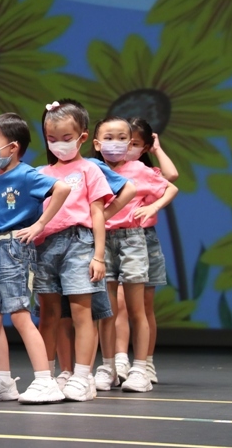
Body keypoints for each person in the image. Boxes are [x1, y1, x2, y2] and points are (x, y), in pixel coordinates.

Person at [0, 113, 71, 404]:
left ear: (13, 147)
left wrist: (40, 225)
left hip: (14, 248)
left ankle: (45, 380)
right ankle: (3, 381)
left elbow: (62, 188)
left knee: (19, 314)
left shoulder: (27, 174)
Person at [33, 99, 113, 402]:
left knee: (82, 314)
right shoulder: (40, 173)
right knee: (49, 315)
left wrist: (98, 255)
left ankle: (82, 376)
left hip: (79, 243)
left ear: (82, 137)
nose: (59, 144)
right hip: (45, 248)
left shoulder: (90, 169)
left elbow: (97, 214)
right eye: (52, 138)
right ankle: (48, 376)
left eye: (66, 138)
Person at [91, 115, 178, 392]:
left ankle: (140, 368)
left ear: (131, 144)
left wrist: (153, 207)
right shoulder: (92, 169)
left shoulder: (139, 169)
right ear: (96, 143)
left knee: (137, 308)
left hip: (132, 240)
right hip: (101, 241)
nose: (115, 144)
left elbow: (170, 185)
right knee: (107, 309)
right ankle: (109, 367)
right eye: (108, 138)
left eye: (121, 139)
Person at [53, 156, 136, 390]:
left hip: (86, 243)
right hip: (53, 246)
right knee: (60, 314)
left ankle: (89, 373)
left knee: (91, 311)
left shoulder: (90, 167)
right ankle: (66, 372)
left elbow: (129, 189)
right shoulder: (45, 171)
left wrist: (97, 218)